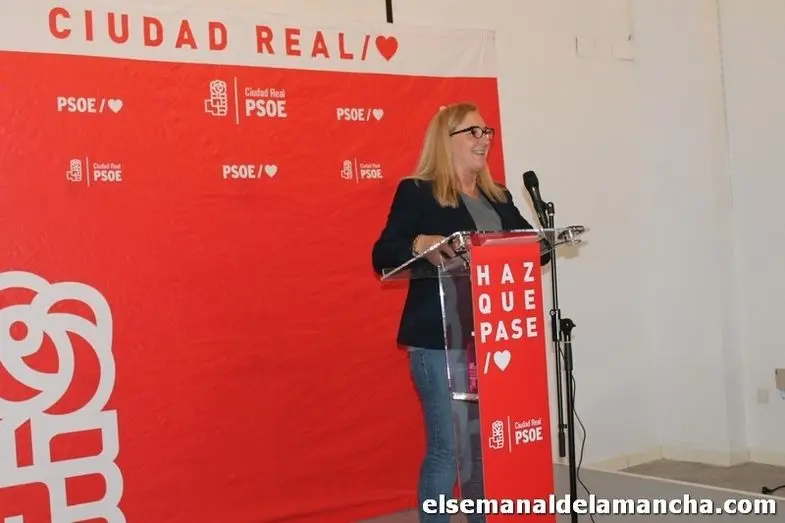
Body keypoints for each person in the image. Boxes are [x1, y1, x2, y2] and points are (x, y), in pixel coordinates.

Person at [371, 102, 550, 523]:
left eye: (487, 132)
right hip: (440, 340)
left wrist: (542, 243)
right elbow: (383, 255)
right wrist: (419, 243)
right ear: (446, 140)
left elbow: (533, 249)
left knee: (483, 447)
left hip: (492, 338)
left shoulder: (498, 196)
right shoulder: (418, 191)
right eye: (473, 132)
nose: (484, 140)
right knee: (448, 449)